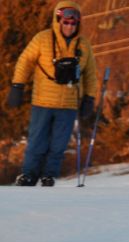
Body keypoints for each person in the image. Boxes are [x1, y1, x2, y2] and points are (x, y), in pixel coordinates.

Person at [7, 1, 97, 187]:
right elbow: (25, 61)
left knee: (58, 144)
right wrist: (17, 86)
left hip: (69, 104)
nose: (70, 26)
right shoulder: (42, 39)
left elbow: (90, 74)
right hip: (43, 101)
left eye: (74, 23)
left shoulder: (83, 45)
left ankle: (49, 176)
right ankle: (29, 175)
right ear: (58, 20)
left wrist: (89, 97)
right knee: (37, 142)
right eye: (66, 22)